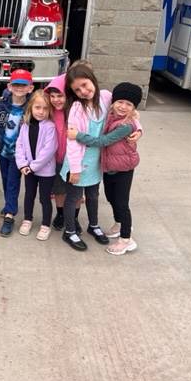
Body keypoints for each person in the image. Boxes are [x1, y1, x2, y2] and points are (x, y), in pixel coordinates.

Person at [60, 61, 141, 251]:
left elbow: (130, 111)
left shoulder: (106, 97)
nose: (83, 91)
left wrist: (139, 130)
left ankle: (94, 225)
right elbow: (72, 141)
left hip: (98, 161)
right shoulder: (77, 109)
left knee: (93, 195)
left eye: (85, 85)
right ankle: (70, 230)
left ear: (93, 80)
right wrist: (75, 168)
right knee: (74, 198)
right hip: (78, 162)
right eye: (77, 90)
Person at [0, 69, 34, 236]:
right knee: (5, 179)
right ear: (9, 86)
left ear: (30, 88)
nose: (19, 88)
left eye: (23, 86)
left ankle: (9, 215)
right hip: (4, 150)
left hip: (19, 155)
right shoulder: (2, 104)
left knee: (12, 182)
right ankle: (9, 204)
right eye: (16, 84)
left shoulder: (31, 107)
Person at [15, 90, 57, 241]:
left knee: (44, 198)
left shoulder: (50, 127)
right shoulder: (25, 125)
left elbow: (49, 150)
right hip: (28, 169)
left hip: (45, 171)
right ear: (31, 107)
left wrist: (33, 166)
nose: (41, 111)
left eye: (45, 108)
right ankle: (27, 219)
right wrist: (22, 164)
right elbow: (19, 145)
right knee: (29, 195)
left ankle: (46, 225)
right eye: (38, 107)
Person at [44, 74, 82, 232]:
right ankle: (60, 214)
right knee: (59, 190)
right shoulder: (50, 111)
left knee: (76, 192)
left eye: (60, 95)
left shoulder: (77, 110)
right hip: (57, 158)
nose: (56, 100)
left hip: (75, 159)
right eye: (52, 96)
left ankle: (74, 217)